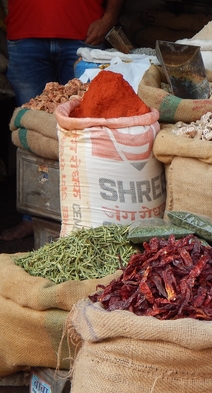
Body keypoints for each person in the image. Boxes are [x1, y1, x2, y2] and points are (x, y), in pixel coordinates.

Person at [1, 0, 123, 241]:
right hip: (25, 37)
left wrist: (108, 19)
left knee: (82, 129)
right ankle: (32, 218)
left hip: (83, 36)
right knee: (30, 132)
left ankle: (78, 218)